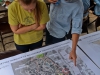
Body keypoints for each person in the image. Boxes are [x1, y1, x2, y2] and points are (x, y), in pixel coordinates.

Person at [46, 0, 84, 66]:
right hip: (48, 27)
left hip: (59, 34)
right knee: (47, 49)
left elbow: (76, 28)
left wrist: (73, 50)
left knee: (55, 56)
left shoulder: (78, 5)